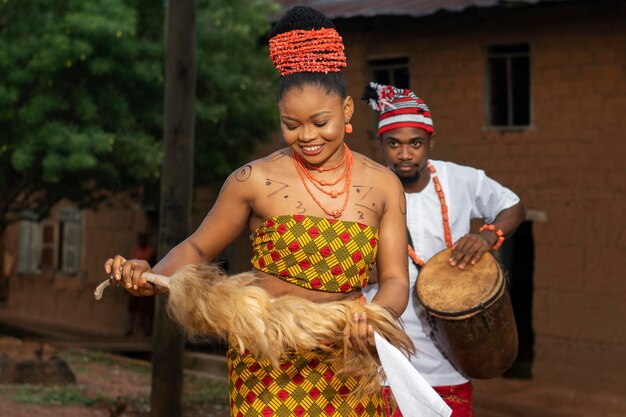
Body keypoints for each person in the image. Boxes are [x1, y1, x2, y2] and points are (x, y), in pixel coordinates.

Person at [104, 7, 409, 416]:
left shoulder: (383, 185)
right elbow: (196, 248)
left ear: (348, 111)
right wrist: (153, 275)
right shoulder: (253, 180)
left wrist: (377, 317)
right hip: (268, 359)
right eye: (291, 124)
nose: (307, 136)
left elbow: (394, 279)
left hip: (348, 358)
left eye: (321, 122)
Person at [362, 83, 525, 417]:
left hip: (451, 360)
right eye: (394, 144)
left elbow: (513, 206)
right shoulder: (367, 188)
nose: (405, 154)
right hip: (385, 362)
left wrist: (487, 236)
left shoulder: (460, 179)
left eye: (415, 144)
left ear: (430, 142)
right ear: (381, 144)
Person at [125, 233, 156, 336]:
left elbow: (151, 267)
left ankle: (148, 329)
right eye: (139, 239)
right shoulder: (136, 250)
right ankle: (130, 328)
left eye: (142, 239)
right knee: (132, 307)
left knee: (147, 309)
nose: (140, 241)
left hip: (146, 282)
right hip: (134, 282)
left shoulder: (151, 252)